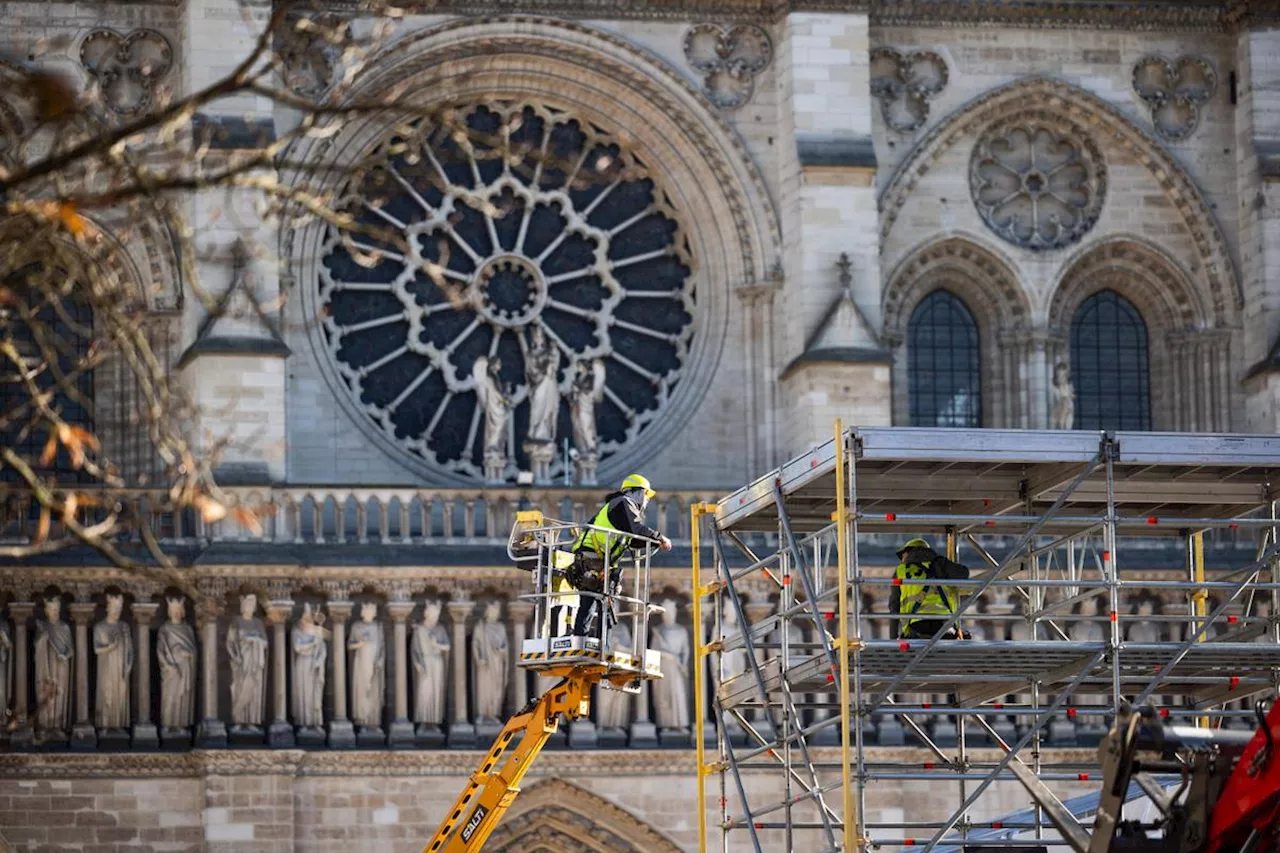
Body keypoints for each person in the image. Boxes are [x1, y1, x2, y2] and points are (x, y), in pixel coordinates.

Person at [566, 474, 672, 637]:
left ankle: (586, 642)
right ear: (637, 492)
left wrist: (653, 542)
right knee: (599, 605)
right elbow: (635, 529)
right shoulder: (623, 503)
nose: (647, 500)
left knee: (593, 605)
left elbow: (633, 540)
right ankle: (596, 645)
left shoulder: (616, 506)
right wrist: (659, 537)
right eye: (646, 495)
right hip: (593, 560)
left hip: (594, 561)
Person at [889, 537, 970, 640]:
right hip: (944, 624)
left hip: (917, 627)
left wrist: (893, 637)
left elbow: (894, 606)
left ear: (908, 552)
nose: (902, 559)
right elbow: (964, 573)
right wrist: (942, 563)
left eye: (902, 555)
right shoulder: (940, 564)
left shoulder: (901, 570)